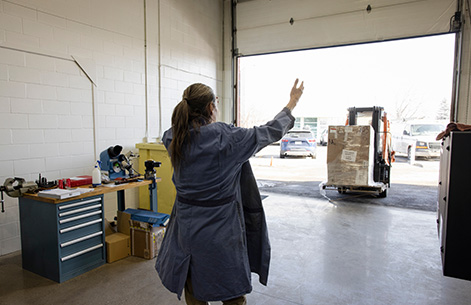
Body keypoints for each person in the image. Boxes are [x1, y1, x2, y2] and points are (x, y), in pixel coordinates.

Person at [155, 79, 305, 305]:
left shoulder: (173, 137)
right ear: (210, 108)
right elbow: (270, 131)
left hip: (185, 232)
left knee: (193, 284)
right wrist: (292, 102)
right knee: (232, 289)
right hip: (221, 233)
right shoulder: (227, 138)